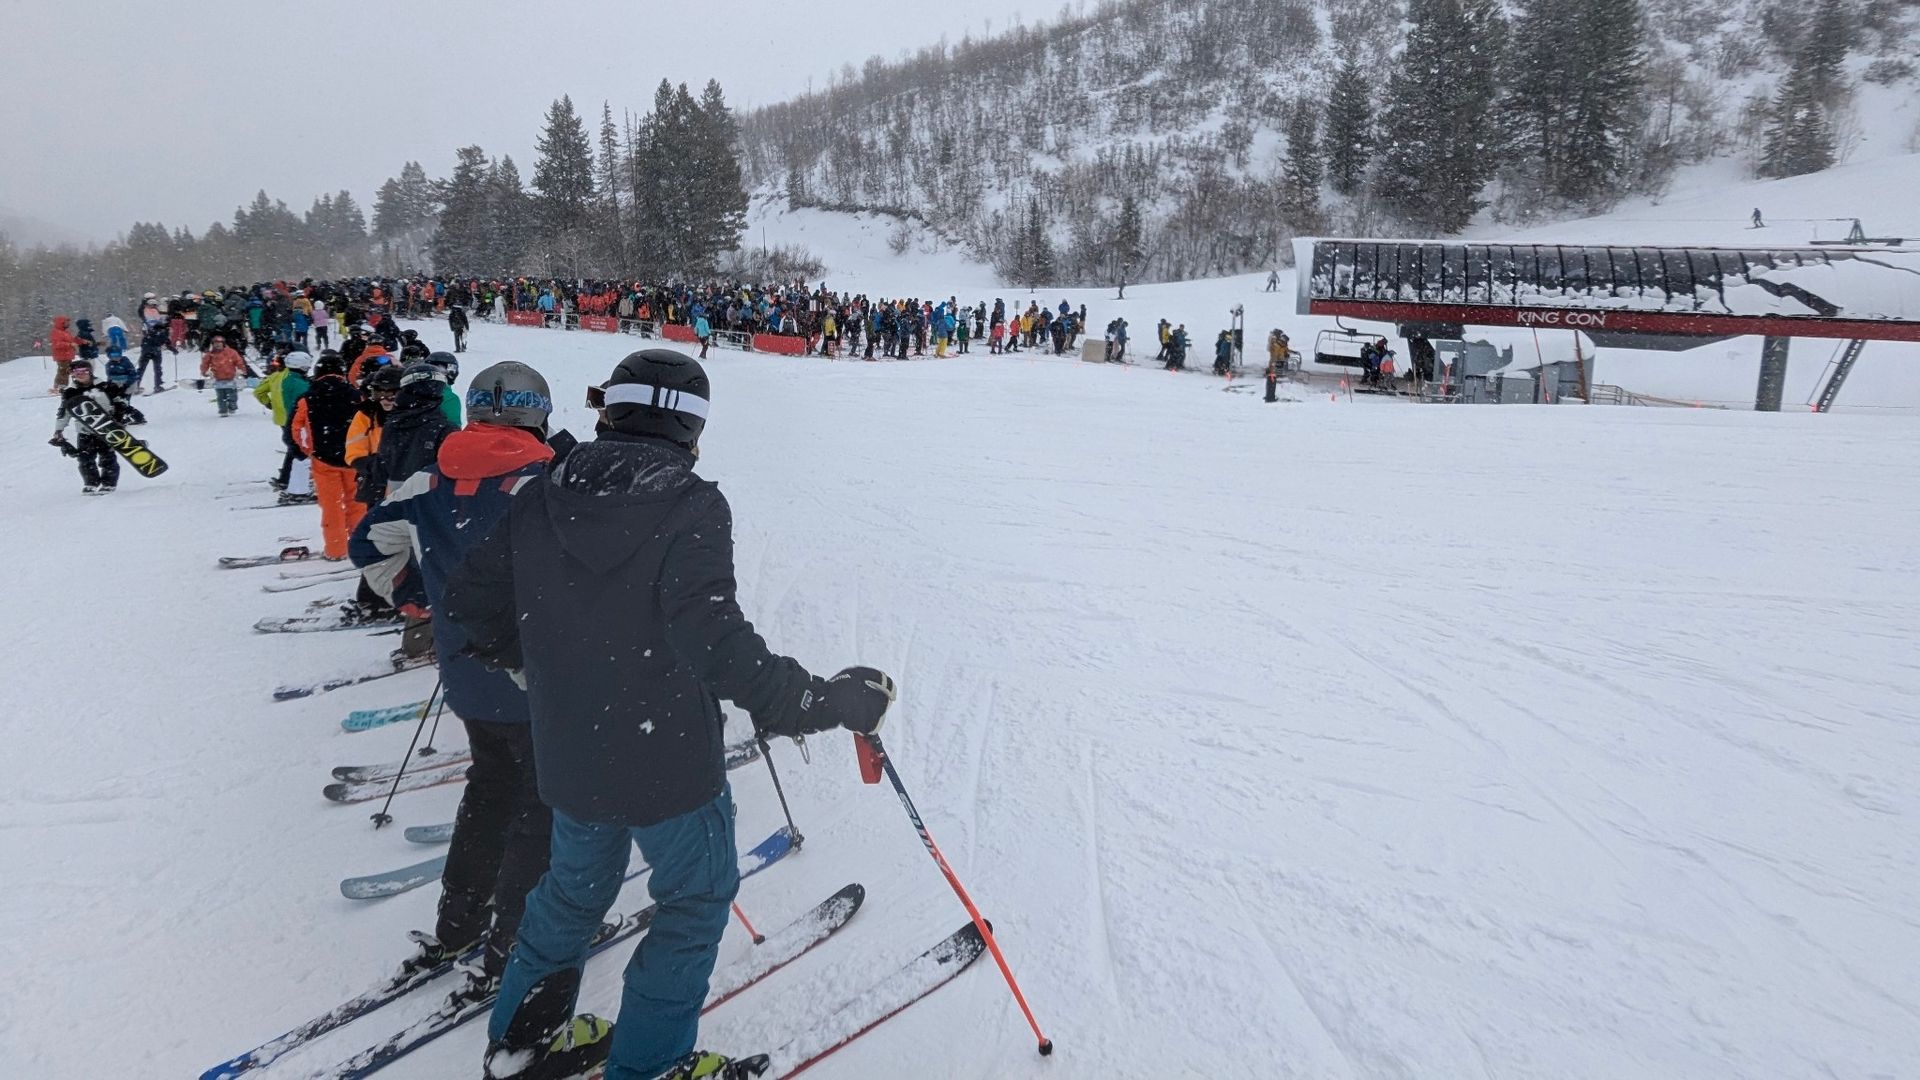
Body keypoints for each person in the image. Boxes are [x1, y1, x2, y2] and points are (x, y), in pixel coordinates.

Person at [443, 349, 896, 1080]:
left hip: (573, 753)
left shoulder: (543, 490)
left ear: (609, 409)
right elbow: (715, 643)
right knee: (694, 899)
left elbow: (470, 603)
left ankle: (525, 1045)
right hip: (669, 766)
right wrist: (819, 701)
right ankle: (650, 1065)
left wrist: (536, 663)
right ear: (691, 427)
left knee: (569, 894)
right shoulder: (689, 503)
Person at [350, 361, 569, 993]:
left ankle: (460, 923)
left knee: (490, 787)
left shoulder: (428, 476)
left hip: (467, 671)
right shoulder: (547, 480)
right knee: (538, 804)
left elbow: (369, 544)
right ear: (538, 414)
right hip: (537, 674)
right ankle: (516, 943)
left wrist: (416, 596)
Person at [290, 352, 365, 559]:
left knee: (331, 505)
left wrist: (309, 450)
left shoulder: (307, 397)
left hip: (324, 460)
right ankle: (359, 546)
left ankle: (336, 549)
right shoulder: (357, 395)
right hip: (353, 458)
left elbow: (297, 429)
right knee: (357, 503)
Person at [50, 360, 130, 494]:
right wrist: (59, 430)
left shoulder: (105, 387)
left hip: (107, 429)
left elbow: (120, 403)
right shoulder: (71, 392)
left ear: (90, 372)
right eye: (77, 372)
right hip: (85, 431)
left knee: (107, 457)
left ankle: (109, 483)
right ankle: (91, 483)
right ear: (73, 374)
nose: (81, 374)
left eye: (84, 371)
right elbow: (64, 412)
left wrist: (119, 416)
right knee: (85, 459)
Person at [257, 351, 314, 494]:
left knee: (295, 449)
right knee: (300, 450)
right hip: (298, 420)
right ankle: (292, 482)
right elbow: (307, 399)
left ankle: (286, 478)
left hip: (288, 417)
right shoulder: (297, 382)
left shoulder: (285, 377)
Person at [201, 338, 249, 416]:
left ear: (223, 344)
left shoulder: (231, 352)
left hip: (230, 378)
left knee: (233, 395)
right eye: (215, 343)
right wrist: (205, 372)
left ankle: (232, 407)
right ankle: (223, 410)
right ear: (212, 345)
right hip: (218, 378)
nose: (217, 345)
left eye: (219, 343)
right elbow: (204, 364)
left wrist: (241, 370)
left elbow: (239, 362)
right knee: (221, 396)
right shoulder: (210, 354)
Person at [136, 319, 169, 393]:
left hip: (146, 353)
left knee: (141, 369)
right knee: (157, 369)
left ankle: (136, 385)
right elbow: (167, 343)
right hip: (156, 352)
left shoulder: (148, 333)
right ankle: (157, 386)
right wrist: (174, 350)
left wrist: (144, 351)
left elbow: (143, 343)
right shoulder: (162, 333)